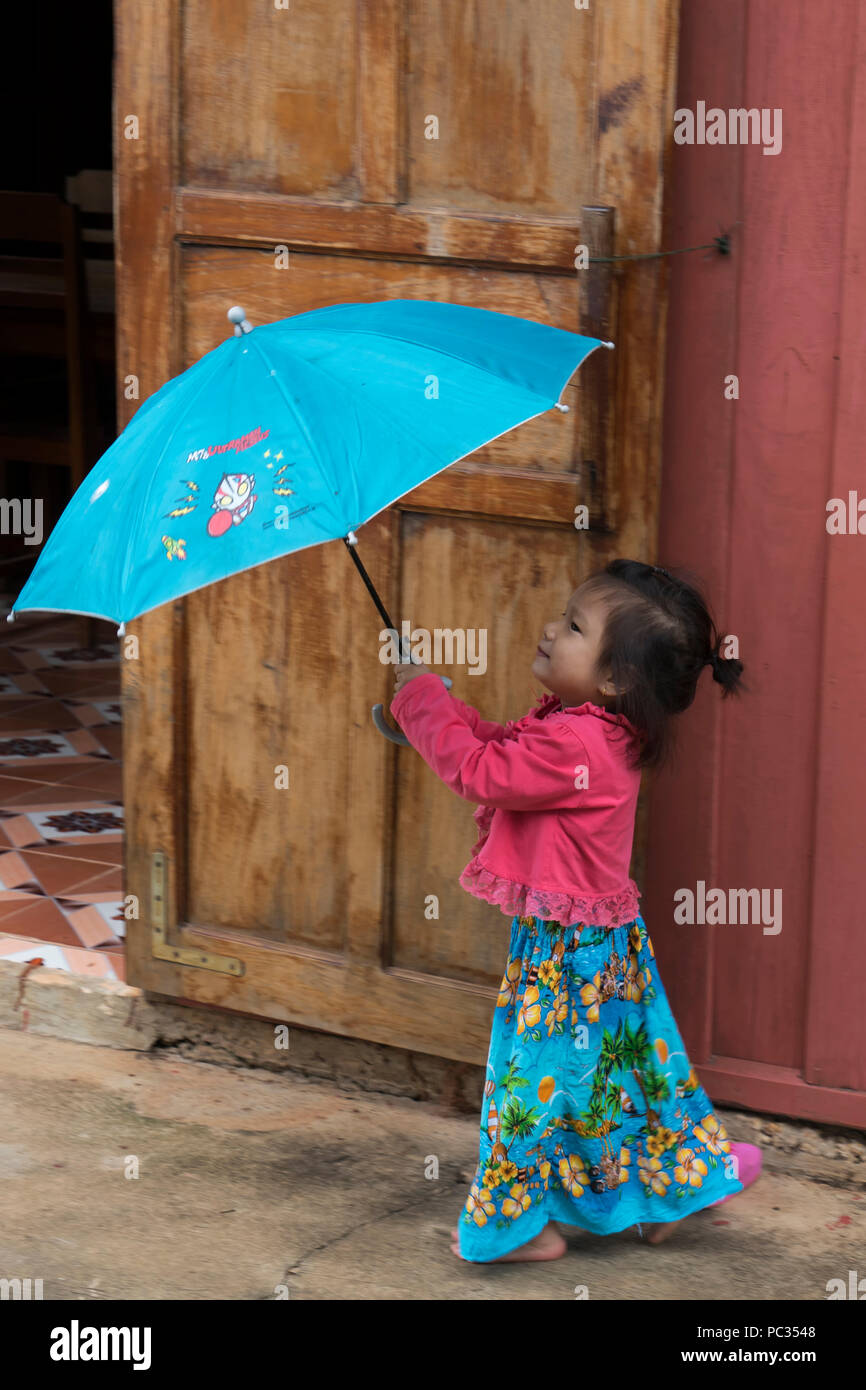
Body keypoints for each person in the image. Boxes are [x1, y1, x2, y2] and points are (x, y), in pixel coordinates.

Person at [389, 558, 762, 1263]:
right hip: (608, 946)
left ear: (618, 677)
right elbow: (499, 746)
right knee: (632, 1071)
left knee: (530, 1084)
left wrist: (422, 705)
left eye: (573, 626)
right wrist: (433, 705)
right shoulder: (591, 728)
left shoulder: (575, 742)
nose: (550, 629)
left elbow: (479, 770)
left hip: (567, 961)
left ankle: (517, 1225)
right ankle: (674, 1186)